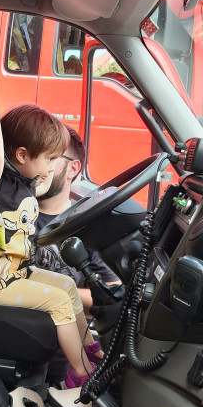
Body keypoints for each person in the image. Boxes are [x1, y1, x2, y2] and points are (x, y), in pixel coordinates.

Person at [0, 66, 103, 389]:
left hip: (14, 273)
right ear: (23, 155)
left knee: (67, 286)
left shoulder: (28, 185)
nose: (54, 166)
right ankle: (83, 375)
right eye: (50, 158)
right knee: (57, 302)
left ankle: (91, 352)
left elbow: (38, 178)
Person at [35, 125, 120, 314]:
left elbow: (112, 291)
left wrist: (53, 291)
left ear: (72, 168)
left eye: (50, 157)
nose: (39, 165)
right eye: (35, 154)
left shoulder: (86, 224)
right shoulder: (10, 212)